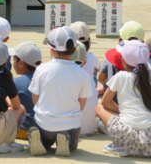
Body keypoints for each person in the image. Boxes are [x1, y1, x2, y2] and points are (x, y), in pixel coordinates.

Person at [28, 26, 92, 157]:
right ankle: (65, 143)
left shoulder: (41, 69)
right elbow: (82, 104)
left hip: (45, 122)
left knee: (45, 138)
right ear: (74, 48)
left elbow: (35, 97)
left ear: (51, 50)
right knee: (73, 144)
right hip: (70, 124)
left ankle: (41, 140)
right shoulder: (82, 73)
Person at [96, 40, 151, 157]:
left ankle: (120, 145)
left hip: (125, 135)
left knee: (99, 108)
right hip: (149, 139)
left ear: (123, 61)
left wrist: (121, 111)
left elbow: (106, 102)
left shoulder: (121, 76)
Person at [12, 41, 42, 140]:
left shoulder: (15, 82)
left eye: (14, 60)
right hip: (44, 129)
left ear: (21, 63)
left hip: (24, 130)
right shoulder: (46, 80)